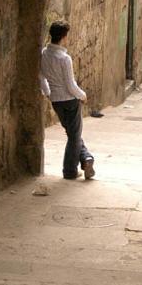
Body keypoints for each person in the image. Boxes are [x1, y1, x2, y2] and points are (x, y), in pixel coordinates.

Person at [39, 21, 95, 180]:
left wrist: (48, 93)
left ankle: (86, 159)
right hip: (70, 100)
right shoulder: (64, 58)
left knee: (73, 133)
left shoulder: (44, 54)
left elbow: (41, 77)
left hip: (56, 101)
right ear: (64, 37)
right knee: (74, 136)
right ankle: (69, 171)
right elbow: (70, 85)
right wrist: (82, 95)